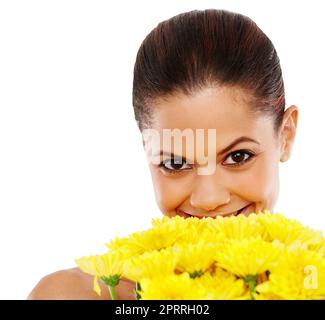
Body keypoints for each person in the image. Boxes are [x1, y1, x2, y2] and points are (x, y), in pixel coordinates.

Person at [28, 8, 298, 299]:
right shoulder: (77, 295)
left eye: (238, 157)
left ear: (285, 136)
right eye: (176, 163)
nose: (208, 200)